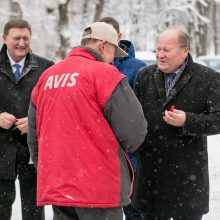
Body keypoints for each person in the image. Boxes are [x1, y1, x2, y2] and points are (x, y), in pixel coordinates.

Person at [27, 21, 148, 220]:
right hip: (99, 189)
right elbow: (134, 130)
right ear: (102, 46)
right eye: (112, 54)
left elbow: (34, 135)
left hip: (60, 187)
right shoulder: (106, 75)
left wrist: (50, 168)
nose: (112, 61)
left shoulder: (47, 77)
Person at [132, 26, 220, 220]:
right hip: (151, 176)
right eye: (158, 49)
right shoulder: (144, 76)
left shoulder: (208, 78)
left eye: (167, 50)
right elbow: (134, 118)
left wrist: (189, 120)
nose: (160, 55)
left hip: (187, 178)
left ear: (185, 50)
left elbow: (218, 119)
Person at [0, 19, 54, 220]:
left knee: (33, 211)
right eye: (16, 38)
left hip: (33, 150)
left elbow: (56, 109)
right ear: (5, 39)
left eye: (26, 38)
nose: (21, 43)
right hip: (1, 150)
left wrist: (35, 121)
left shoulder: (46, 68)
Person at [99, 16, 146, 220]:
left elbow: (143, 111)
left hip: (129, 153)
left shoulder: (138, 67)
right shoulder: (86, 67)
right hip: (96, 152)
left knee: (133, 209)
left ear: (118, 36)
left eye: (109, 36)